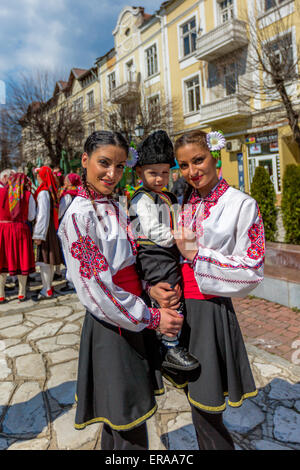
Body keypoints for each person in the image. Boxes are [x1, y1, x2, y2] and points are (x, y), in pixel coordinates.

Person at [58, 130, 183, 450]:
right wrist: (154, 318)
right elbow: (98, 289)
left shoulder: (113, 204)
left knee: (123, 422)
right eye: (104, 163)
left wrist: (149, 289)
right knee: (129, 422)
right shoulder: (79, 216)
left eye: (120, 166)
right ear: (84, 161)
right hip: (114, 323)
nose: (111, 174)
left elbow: (130, 258)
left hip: (132, 314)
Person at [161, 128, 264, 450]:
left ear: (214, 156)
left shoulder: (241, 204)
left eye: (198, 160)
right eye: (184, 165)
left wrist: (196, 254)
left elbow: (252, 269)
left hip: (209, 309)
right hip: (181, 310)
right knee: (196, 397)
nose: (192, 171)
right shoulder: (187, 201)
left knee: (206, 404)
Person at [130, 130, 199, 372]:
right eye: (153, 173)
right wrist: (178, 239)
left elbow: (180, 220)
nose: (159, 178)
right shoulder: (141, 200)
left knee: (176, 291)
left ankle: (171, 340)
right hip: (154, 255)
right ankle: (170, 346)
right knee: (168, 291)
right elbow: (152, 229)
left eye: (164, 173)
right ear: (139, 172)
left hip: (169, 252)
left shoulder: (168, 196)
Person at [0, 172, 36, 302]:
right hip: (20, 230)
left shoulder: (0, 192)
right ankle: (21, 293)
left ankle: (1, 294)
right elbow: (31, 216)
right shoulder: (27, 195)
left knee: (2, 260)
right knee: (22, 259)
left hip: (2, 230)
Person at [32, 166, 63, 301]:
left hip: (45, 230)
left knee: (45, 262)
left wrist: (38, 234)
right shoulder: (49, 191)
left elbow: (42, 214)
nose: (37, 178)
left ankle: (47, 289)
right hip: (49, 229)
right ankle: (48, 287)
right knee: (48, 261)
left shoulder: (43, 192)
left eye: (39, 175)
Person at [58, 172, 82, 293]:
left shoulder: (67, 195)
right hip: (79, 227)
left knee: (69, 254)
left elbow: (60, 212)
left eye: (67, 180)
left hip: (68, 226)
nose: (65, 182)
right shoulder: (80, 192)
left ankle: (72, 282)